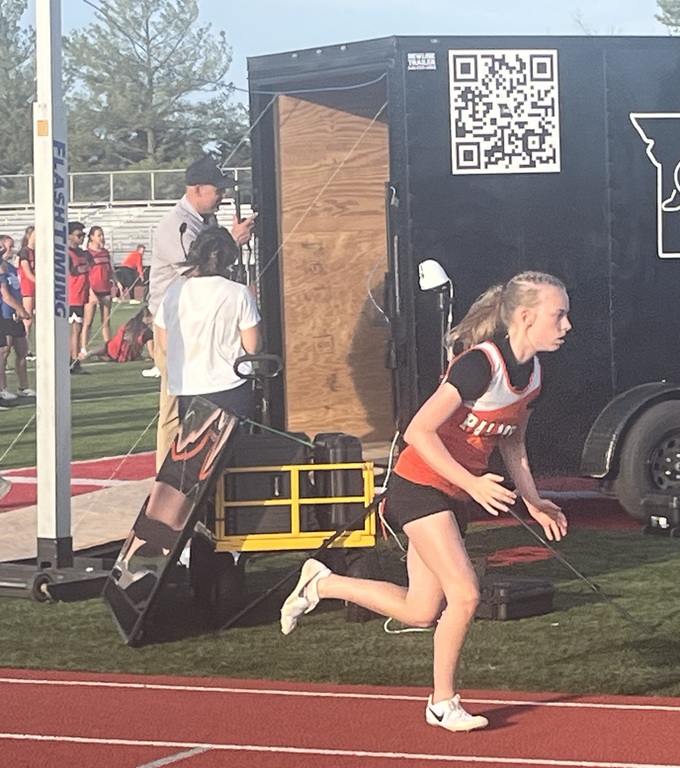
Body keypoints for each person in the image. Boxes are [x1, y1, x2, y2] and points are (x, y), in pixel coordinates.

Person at [280, 271, 571, 733]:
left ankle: (323, 584)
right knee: (467, 593)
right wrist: (474, 485)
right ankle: (442, 702)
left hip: (453, 493)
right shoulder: (479, 365)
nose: (567, 325)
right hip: (418, 485)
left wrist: (534, 501)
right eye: (559, 315)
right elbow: (418, 431)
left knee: (420, 610)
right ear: (526, 316)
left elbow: (513, 442)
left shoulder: (533, 375)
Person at [149, 155, 256, 468]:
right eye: (217, 189)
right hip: (176, 322)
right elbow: (198, 266)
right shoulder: (178, 225)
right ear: (196, 190)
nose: (222, 195)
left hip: (195, 317)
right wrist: (231, 242)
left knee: (196, 400)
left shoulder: (203, 222)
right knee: (175, 405)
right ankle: (165, 475)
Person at [154, 226, 261, 423]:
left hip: (188, 387)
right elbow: (252, 347)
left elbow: (166, 344)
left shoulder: (174, 292)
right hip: (230, 386)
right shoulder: (238, 292)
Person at [0, 234, 34, 399]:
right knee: (4, 352)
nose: (11, 250)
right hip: (4, 314)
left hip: (15, 315)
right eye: (9, 246)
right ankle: (2, 388)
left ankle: (23, 387)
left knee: (21, 350)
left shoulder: (11, 268)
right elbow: (5, 295)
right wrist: (20, 309)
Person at [82, 225, 115, 355]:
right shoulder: (87, 255)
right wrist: (90, 292)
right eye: (99, 235)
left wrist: (117, 283)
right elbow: (85, 274)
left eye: (102, 235)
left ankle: (109, 349)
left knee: (106, 321)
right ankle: (83, 348)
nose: (101, 237)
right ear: (91, 237)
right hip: (92, 290)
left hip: (105, 289)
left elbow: (110, 270)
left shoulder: (105, 253)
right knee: (88, 322)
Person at [66, 221, 92, 374]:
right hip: (72, 296)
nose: (82, 238)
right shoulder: (67, 254)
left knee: (78, 328)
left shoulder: (82, 253)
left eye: (83, 235)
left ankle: (72, 359)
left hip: (81, 296)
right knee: (75, 329)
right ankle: (73, 360)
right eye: (78, 235)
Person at [17, 226, 35, 359]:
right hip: (28, 287)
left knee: (33, 319)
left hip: (35, 287)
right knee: (27, 319)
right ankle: (24, 349)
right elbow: (27, 272)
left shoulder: (35, 251)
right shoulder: (25, 251)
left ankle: (29, 347)